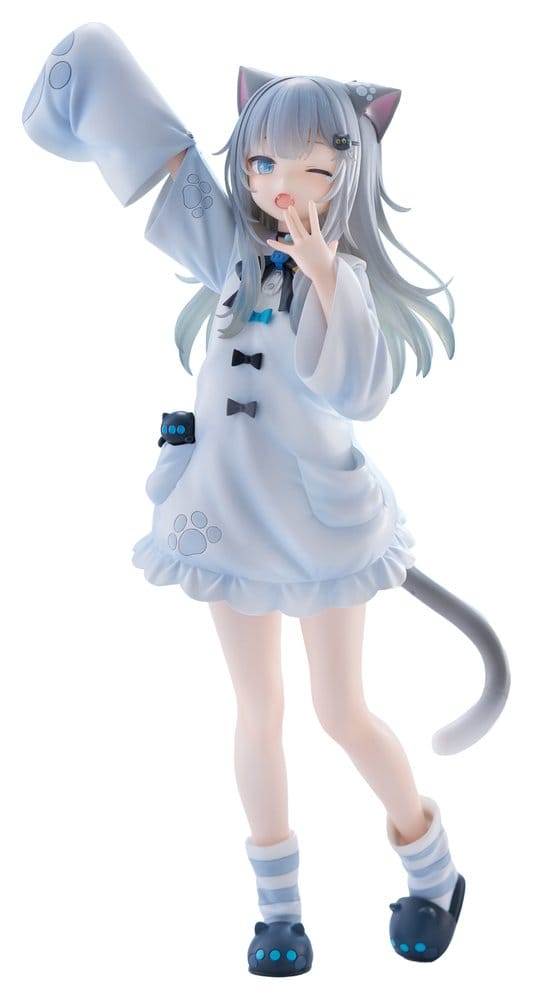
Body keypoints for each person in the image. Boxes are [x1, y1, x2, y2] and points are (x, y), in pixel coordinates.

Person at [24, 22, 504, 973]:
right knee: (256, 711)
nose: (282, 182)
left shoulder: (342, 278)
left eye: (313, 167)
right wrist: (91, 71)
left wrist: (327, 280)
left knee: (339, 710)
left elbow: (359, 392)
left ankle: (432, 869)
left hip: (320, 526)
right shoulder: (235, 260)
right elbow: (170, 169)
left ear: (348, 171)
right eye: (263, 162)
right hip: (231, 515)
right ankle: (277, 910)